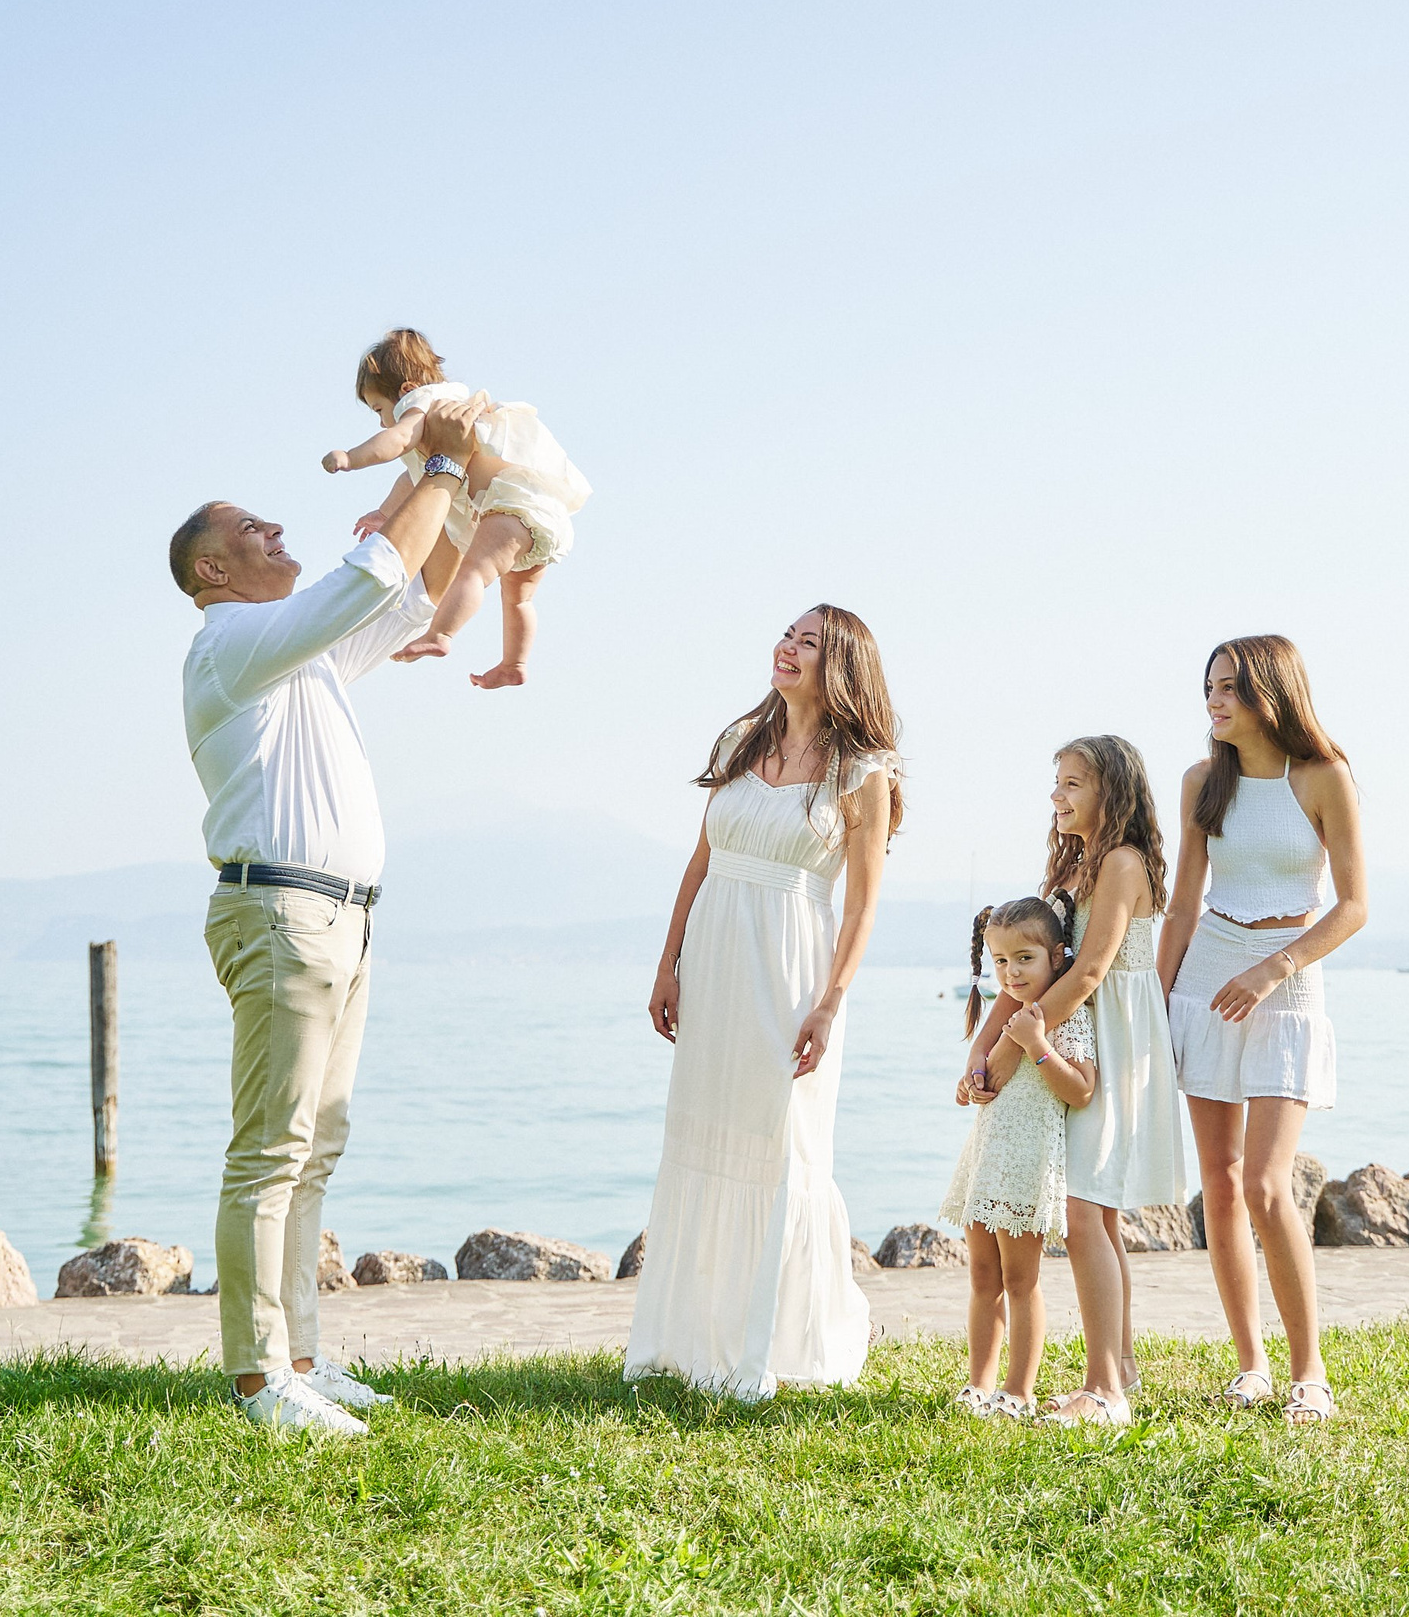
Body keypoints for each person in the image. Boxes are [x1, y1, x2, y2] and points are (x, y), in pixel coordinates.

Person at [170, 393, 482, 1434]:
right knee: (270, 1148)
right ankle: (260, 1383)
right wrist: (433, 466)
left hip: (340, 919)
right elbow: (371, 573)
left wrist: (446, 478)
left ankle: (301, 1356)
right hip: (282, 916)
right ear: (212, 571)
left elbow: (412, 594)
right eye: (251, 528)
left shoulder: (296, 654)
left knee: (316, 1148)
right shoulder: (234, 642)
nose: (276, 529)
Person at [625, 606, 902, 1401]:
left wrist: (830, 1003)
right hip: (713, 956)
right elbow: (700, 859)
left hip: (791, 967)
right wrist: (667, 961)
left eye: (808, 641)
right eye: (787, 634)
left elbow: (860, 907)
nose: (787, 647)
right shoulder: (737, 743)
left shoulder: (862, 769)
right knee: (704, 1131)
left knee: (782, 1143)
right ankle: (689, 1337)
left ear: (840, 663)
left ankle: (774, 1339)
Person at [1158, 635, 1367, 1428]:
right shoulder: (1200, 782)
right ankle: (1249, 1364)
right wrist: (1157, 998)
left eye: (1227, 689)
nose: (1212, 702)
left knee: (1265, 1183)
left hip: (1284, 979)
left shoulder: (1322, 777)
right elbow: (1181, 904)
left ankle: (1308, 1371)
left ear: (1268, 692)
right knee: (1216, 1180)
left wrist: (1273, 968)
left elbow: (1352, 905)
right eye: (1207, 688)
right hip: (1206, 974)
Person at [966, 735, 1189, 1427]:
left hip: (1115, 1039)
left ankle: (1103, 1390)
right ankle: (1116, 1366)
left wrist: (1009, 1052)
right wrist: (986, 1045)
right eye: (1055, 783)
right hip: (1074, 1026)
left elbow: (1089, 971)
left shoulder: (1120, 862)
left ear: (1110, 791)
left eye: (1071, 784)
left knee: (1086, 1212)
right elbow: (1035, 968)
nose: (1057, 796)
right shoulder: (1073, 865)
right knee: (1098, 1213)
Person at [321, 327, 590, 688]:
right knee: (518, 599)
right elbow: (411, 479)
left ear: (404, 391)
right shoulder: (454, 404)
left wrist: (351, 457)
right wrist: (384, 513)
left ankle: (441, 634)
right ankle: (515, 663)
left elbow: (396, 440)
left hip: (510, 508)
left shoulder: (424, 404)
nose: (383, 421)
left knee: (473, 573)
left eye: (379, 409)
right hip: (539, 514)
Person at [939, 893, 1096, 1421]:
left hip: (1029, 1164)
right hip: (987, 1159)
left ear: (1057, 955)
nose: (1011, 972)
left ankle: (1019, 1389)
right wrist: (970, 1082)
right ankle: (978, 1383)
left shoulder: (1063, 1015)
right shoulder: (1008, 1010)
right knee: (982, 1275)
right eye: (1001, 961)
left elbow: (1080, 1091)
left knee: (1020, 1280)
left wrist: (1036, 1045)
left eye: (1024, 959)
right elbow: (982, 1061)